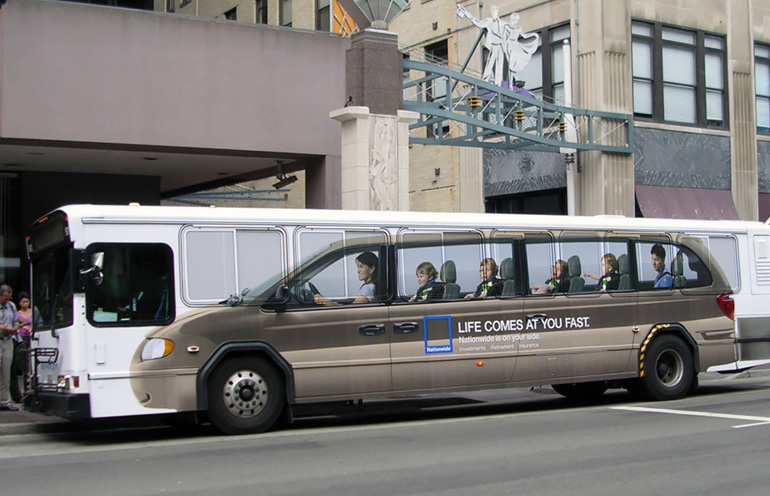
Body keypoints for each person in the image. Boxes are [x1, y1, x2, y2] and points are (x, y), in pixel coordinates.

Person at [314, 252, 378, 306]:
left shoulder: (367, 288)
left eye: (361, 267)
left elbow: (350, 311)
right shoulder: (371, 287)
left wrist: (324, 301)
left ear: (372, 269)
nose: (358, 271)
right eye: (358, 267)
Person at [0, 284, 19, 411]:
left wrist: (14, 328)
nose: (7, 301)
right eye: (5, 299)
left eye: (8, 298)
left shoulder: (11, 306)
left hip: (8, 340)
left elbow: (15, 322)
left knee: (6, 372)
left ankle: (5, 401)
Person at [14, 291, 35, 401]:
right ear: (19, 303)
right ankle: (23, 388)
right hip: (22, 339)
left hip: (32, 338)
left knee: (31, 364)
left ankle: (31, 386)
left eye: (27, 301)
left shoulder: (33, 312)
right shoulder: (17, 314)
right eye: (23, 302)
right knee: (23, 364)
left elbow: (38, 323)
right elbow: (15, 325)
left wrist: (32, 329)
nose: (25, 304)